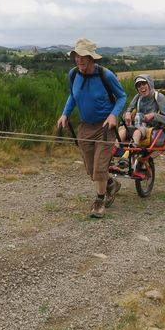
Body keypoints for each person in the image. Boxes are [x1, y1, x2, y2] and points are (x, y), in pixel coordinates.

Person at [57, 38, 127, 219]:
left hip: (105, 127)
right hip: (85, 126)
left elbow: (121, 96)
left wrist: (113, 115)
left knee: (99, 166)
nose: (79, 60)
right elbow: (73, 96)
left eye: (83, 57)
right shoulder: (73, 74)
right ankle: (111, 183)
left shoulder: (106, 75)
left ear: (91, 58)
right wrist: (65, 114)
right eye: (76, 56)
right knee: (90, 168)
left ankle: (99, 200)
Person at [117, 74, 165, 168]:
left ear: (150, 84)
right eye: (138, 86)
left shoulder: (159, 97)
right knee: (122, 132)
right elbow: (129, 109)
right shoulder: (137, 97)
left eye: (144, 83)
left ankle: (126, 156)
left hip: (152, 129)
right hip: (137, 124)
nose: (141, 87)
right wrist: (127, 113)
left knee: (137, 132)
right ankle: (111, 153)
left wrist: (154, 115)